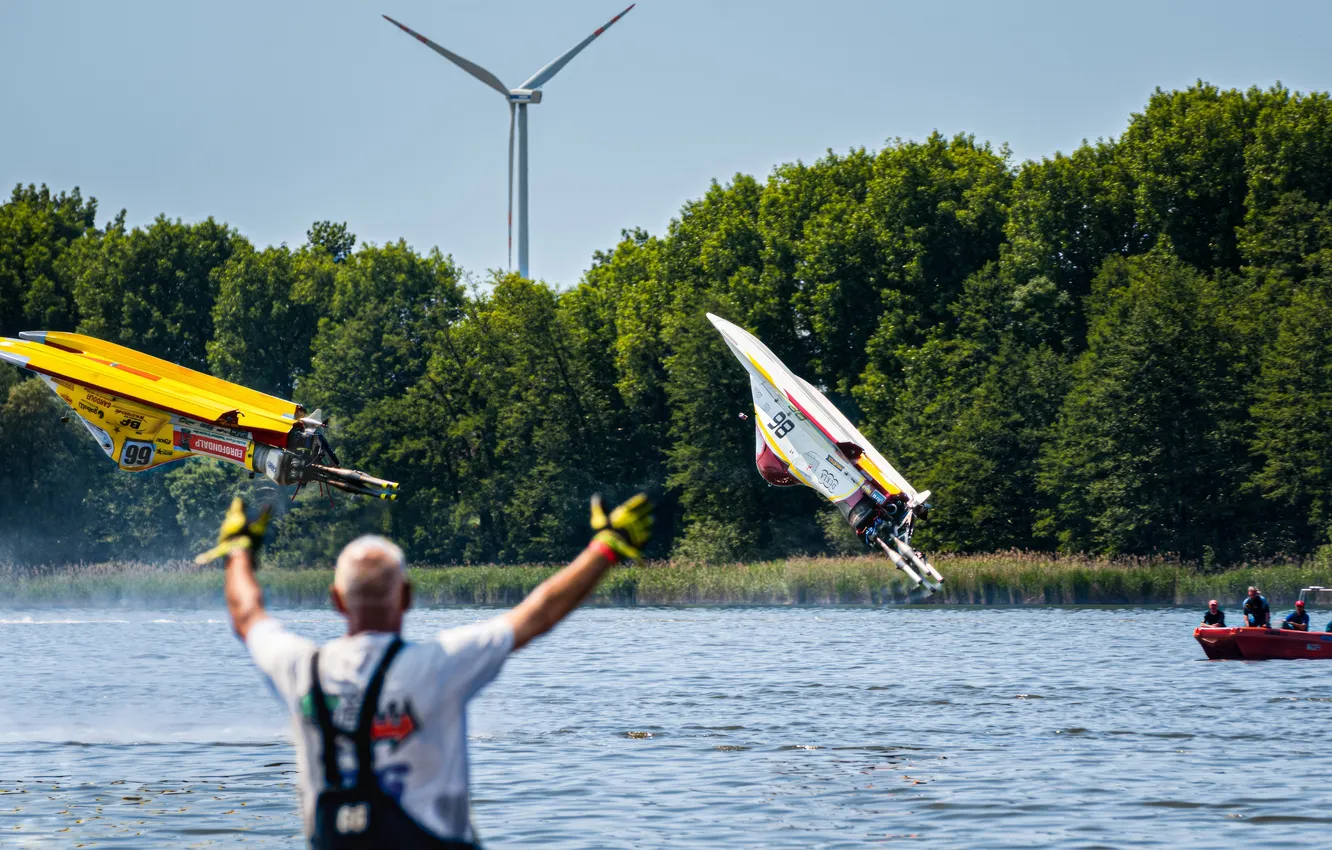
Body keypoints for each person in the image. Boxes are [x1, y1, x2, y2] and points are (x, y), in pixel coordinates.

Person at [208, 492, 653, 849]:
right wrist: (605, 549)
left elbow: (247, 614)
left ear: (337, 600)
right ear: (406, 597)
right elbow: (538, 613)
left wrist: (239, 552)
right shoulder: (438, 664)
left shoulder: (299, 668)